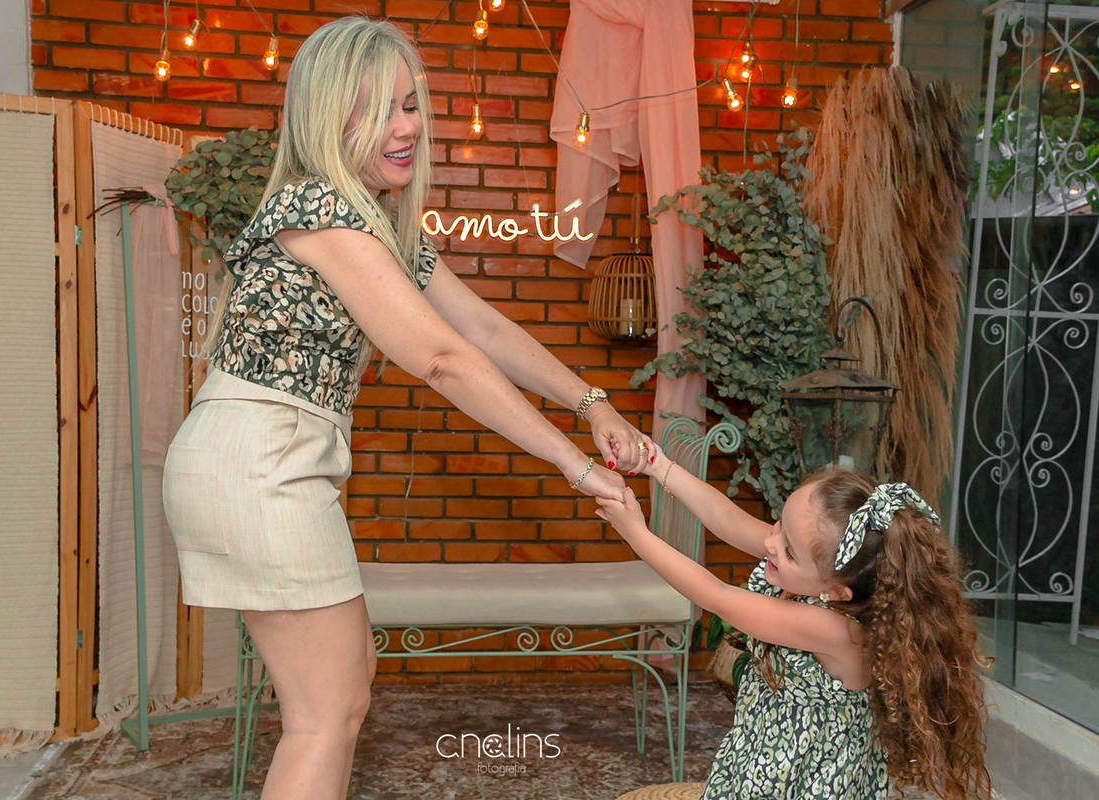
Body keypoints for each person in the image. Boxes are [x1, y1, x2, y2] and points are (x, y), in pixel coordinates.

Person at [162, 16, 654, 800]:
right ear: (326, 118)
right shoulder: (318, 207)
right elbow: (441, 358)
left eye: (410, 104)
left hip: (278, 459)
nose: (404, 127)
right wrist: (574, 464)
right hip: (259, 461)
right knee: (324, 715)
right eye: (375, 109)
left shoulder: (377, 220)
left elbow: (483, 328)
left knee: (347, 683)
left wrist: (592, 402)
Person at [594, 454, 992, 800]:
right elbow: (727, 518)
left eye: (788, 550)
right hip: (766, 751)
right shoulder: (810, 565)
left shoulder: (834, 629)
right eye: (778, 524)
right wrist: (659, 465)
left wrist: (634, 532)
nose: (771, 543)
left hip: (799, 775)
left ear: (835, 590)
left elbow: (715, 594)